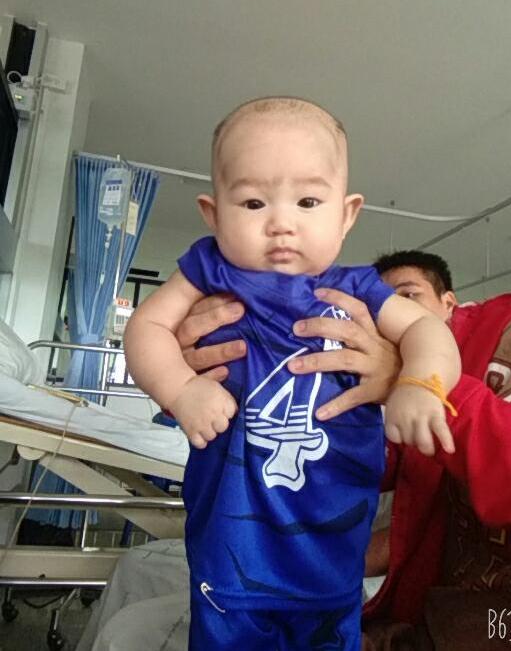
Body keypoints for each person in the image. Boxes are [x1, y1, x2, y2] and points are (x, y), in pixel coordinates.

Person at [123, 97, 461, 650]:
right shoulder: (210, 269)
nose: (281, 223)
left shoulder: (359, 290)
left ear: (347, 215)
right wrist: (181, 389)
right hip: (232, 548)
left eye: (307, 201)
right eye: (254, 202)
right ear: (214, 213)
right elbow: (146, 327)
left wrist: (419, 382)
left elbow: (429, 331)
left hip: (332, 550)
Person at [286, 250, 511, 649]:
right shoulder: (474, 328)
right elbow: (404, 475)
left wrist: (425, 388)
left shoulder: (435, 355)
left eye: (408, 296)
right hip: (423, 623)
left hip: (510, 629)